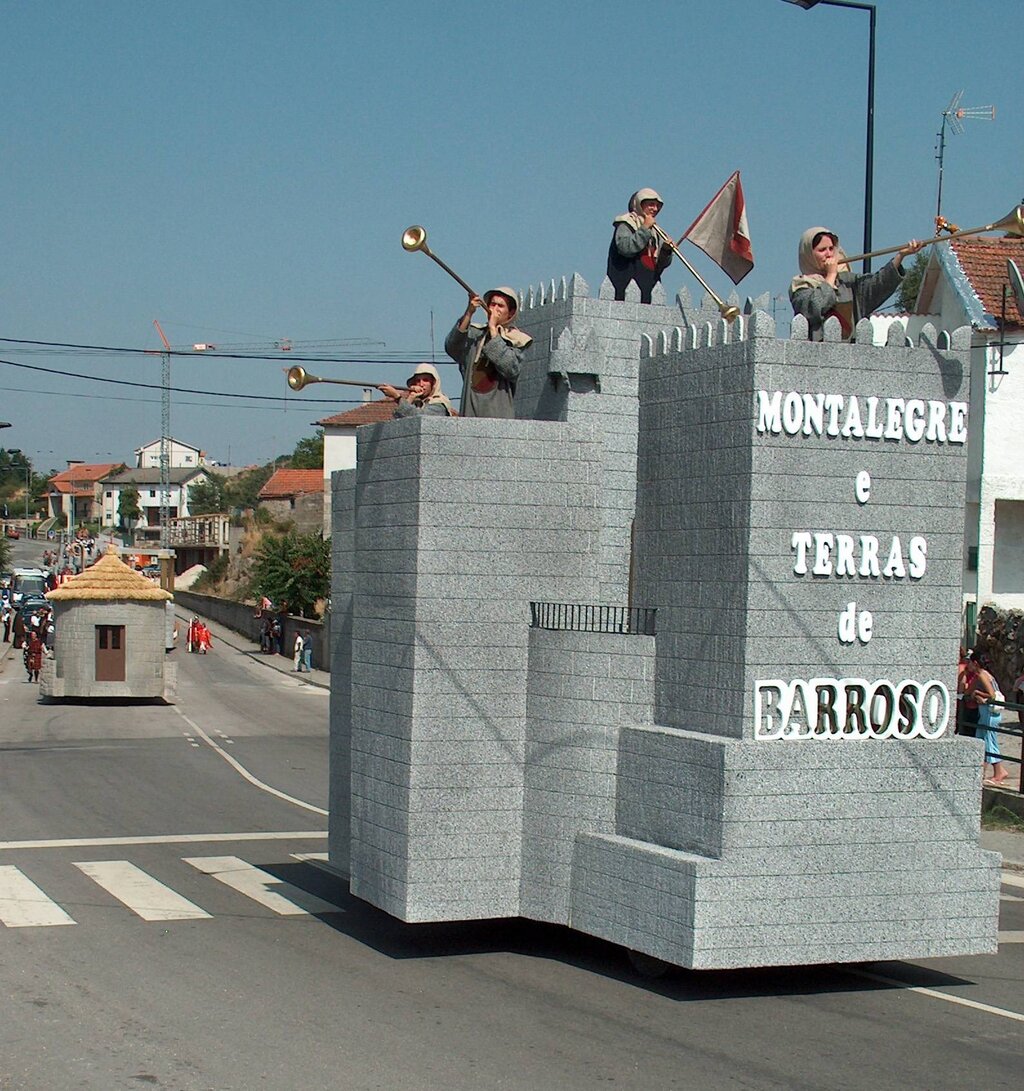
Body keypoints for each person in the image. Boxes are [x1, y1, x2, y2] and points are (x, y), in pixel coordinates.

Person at [789, 227, 924, 341]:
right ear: (809, 255)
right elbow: (814, 307)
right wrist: (830, 276)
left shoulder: (848, 281)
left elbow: (877, 285)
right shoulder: (802, 286)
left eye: (831, 248)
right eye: (822, 250)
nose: (829, 254)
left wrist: (900, 256)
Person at [444, 288, 532, 419]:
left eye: (500, 306)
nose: (495, 308)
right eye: (493, 304)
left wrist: (493, 330)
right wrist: (469, 313)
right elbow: (452, 347)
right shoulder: (476, 334)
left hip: (498, 412)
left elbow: (510, 368)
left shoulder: (516, 340)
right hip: (470, 408)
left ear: (511, 312)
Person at [606, 188, 673, 304]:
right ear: (639, 204)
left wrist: (666, 251)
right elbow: (625, 248)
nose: (655, 209)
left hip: (649, 292)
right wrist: (644, 229)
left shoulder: (655, 231)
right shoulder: (626, 224)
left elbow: (658, 265)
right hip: (625, 291)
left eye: (657, 206)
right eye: (651, 204)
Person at [961, 652, 1010, 786]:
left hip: (990, 713)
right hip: (985, 713)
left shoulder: (982, 675)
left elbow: (992, 695)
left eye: (970, 662)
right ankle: (981, 771)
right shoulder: (979, 675)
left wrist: (977, 693)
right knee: (982, 738)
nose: (968, 665)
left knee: (988, 741)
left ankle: (999, 771)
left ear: (975, 663)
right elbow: (967, 692)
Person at [378, 363, 455, 417]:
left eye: (425, 380)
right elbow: (398, 419)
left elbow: (420, 417)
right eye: (418, 380)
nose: (421, 384)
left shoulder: (439, 403)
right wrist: (410, 398)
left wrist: (398, 397)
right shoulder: (416, 404)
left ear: (433, 383)